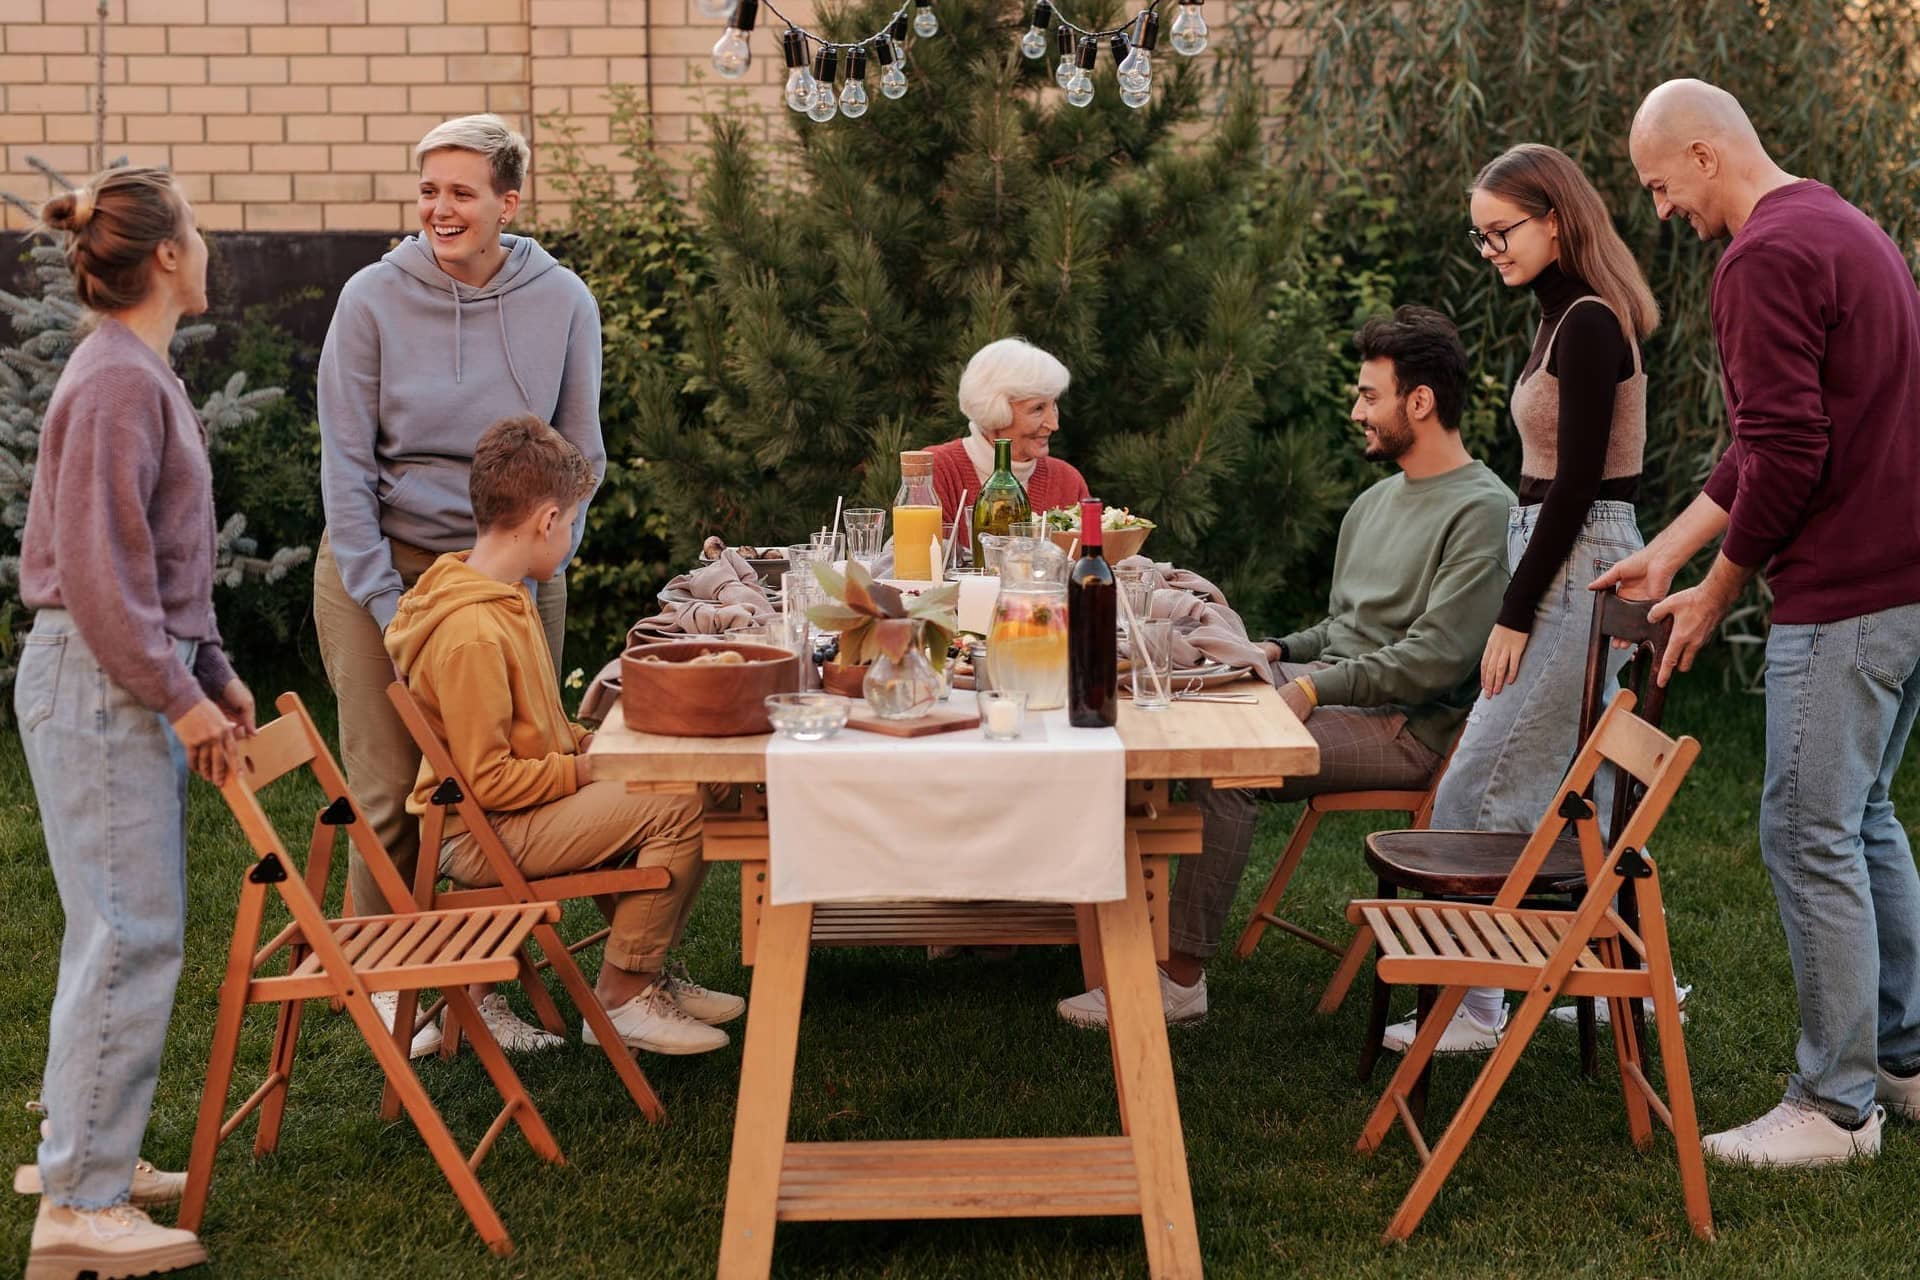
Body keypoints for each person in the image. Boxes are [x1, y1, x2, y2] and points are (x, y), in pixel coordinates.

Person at [1601, 78, 1920, 1167]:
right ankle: (1903, 1063)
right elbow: (1764, 437)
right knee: (1865, 817)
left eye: (1657, 186)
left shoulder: (1761, 258)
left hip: (1847, 595)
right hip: (1906, 585)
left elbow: (1789, 456)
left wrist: (1722, 586)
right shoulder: (1840, 225)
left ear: (1702, 154)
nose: (1661, 213)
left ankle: (1834, 1108)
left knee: (1805, 830)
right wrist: (1674, 548)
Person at [1058, 306, 1515, 1027]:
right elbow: (1347, 627)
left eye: (1370, 395)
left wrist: (1308, 687)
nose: (1356, 409)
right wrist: (1273, 652)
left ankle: (1178, 980)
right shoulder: (1373, 503)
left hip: (1407, 728)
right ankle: (1082, 923)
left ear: (1419, 402)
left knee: (1227, 765)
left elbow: (1435, 659)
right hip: (1342, 691)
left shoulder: (1484, 511)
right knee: (1156, 707)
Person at [315, 114, 607, 1053]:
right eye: (429, 190)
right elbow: (346, 469)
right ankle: (395, 999)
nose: (440, 209)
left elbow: (582, 452)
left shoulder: (563, 300)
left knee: (510, 785)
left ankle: (486, 994)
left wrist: (539, 559)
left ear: (508, 203)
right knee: (388, 788)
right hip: (385, 570)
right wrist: (397, 608)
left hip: (516, 570)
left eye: (461, 192)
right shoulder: (369, 299)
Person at [16, 168, 255, 1277]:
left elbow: (160, 562)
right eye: (196, 231)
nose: (205, 247)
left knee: (113, 925)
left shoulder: (134, 372)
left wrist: (212, 665)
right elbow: (105, 584)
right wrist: (183, 698)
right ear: (165, 254)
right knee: (128, 930)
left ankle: (87, 1151)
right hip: (101, 675)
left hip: (118, 668)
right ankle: (81, 1205)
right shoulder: (117, 380)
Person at [1394, 143, 1662, 1055]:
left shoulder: (1588, 323)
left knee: (1488, 776)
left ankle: (1478, 1001)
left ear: (1554, 217)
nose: (1491, 249)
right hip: (1555, 548)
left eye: (1501, 231)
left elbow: (1582, 482)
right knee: (1503, 769)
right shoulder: (1559, 318)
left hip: (1577, 559)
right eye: (1480, 238)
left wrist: (1513, 612)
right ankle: (1528, 981)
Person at [386, 415, 743, 1056]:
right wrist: (590, 770)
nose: (572, 536)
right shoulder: (471, 632)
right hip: (475, 837)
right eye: (573, 521)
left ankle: (649, 973)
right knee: (678, 802)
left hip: (518, 810)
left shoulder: (505, 596)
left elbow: (536, 731)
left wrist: (591, 743)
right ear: (547, 521)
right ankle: (622, 996)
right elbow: (487, 780)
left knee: (704, 776)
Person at [927, 337, 1091, 525]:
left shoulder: (1067, 481)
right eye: (1038, 408)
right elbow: (909, 550)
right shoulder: (936, 470)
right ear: (994, 410)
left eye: (1054, 405)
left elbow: (1094, 553)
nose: (1054, 425)